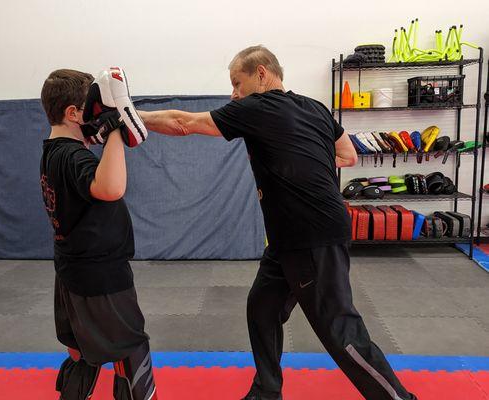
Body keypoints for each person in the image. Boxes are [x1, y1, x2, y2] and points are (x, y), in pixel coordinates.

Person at [136, 46, 417, 400]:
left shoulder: (256, 108)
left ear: (262, 74)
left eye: (237, 83)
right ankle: (267, 391)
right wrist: (301, 152)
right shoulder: (314, 107)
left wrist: (133, 116)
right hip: (288, 238)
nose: (233, 94)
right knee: (262, 308)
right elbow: (348, 154)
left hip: (310, 235)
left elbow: (184, 123)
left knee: (340, 332)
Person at [39, 68, 157, 400]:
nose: (94, 117)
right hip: (100, 277)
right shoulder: (71, 155)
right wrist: (116, 127)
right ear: (73, 114)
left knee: (81, 353)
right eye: (89, 110)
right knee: (131, 351)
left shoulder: (53, 151)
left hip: (71, 272)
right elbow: (111, 187)